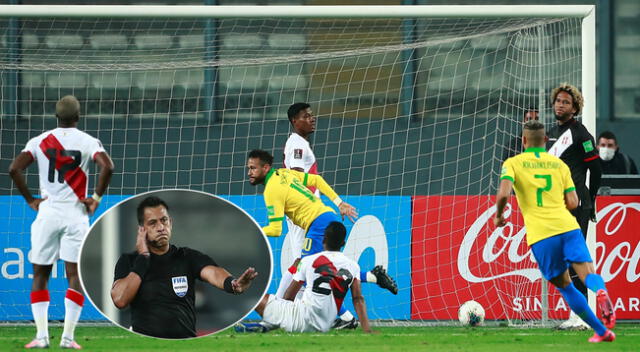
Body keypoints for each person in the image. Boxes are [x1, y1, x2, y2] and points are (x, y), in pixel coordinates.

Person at [495, 120, 615, 343]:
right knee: (588, 274)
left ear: (523, 141)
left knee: (567, 287)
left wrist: (499, 215)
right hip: (568, 227)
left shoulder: (513, 163)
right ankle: (602, 302)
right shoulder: (559, 165)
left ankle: (601, 329)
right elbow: (572, 201)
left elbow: (503, 194)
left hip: (542, 234)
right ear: (546, 141)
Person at [9, 95, 114, 349]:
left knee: (40, 273)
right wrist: (96, 199)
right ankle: (68, 337)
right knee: (74, 274)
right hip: (76, 214)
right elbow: (108, 166)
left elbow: (14, 169)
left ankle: (42, 336)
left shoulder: (40, 141)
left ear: (56, 117)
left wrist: (30, 200)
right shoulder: (88, 141)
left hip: (48, 213)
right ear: (78, 117)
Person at [280, 103, 397, 329]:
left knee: (304, 265)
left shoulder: (300, 144)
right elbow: (297, 180)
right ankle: (354, 300)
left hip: (304, 213)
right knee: (304, 265)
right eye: (307, 116)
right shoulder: (297, 145)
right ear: (295, 121)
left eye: (312, 115)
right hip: (303, 213)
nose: (313, 119)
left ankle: (339, 316)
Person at [110, 196, 258, 339]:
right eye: (153, 223)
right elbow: (120, 300)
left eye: (164, 220)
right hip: (145, 341)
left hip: (185, 342)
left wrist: (233, 284)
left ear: (171, 223)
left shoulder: (187, 257)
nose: (161, 227)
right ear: (142, 229)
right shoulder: (129, 261)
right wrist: (143, 258)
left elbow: (213, 272)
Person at [546, 83, 602, 330]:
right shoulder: (551, 134)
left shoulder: (581, 134)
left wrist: (590, 199)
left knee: (575, 258)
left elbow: (596, 168)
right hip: (556, 205)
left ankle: (583, 317)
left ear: (575, 107)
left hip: (575, 203)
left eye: (566, 102)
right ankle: (577, 314)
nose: (561, 104)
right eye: (558, 100)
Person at [250, 221, 373, 333]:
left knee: (255, 296)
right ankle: (348, 316)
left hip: (301, 321)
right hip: (325, 324)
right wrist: (367, 329)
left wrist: (282, 314)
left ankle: (269, 324)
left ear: (323, 240)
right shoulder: (353, 266)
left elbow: (290, 294)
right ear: (343, 243)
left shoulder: (307, 261)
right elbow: (358, 299)